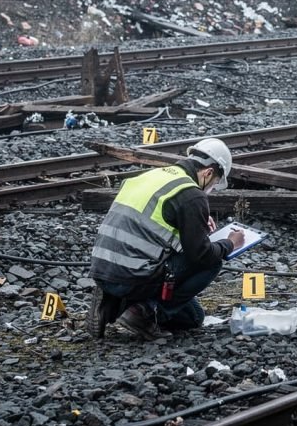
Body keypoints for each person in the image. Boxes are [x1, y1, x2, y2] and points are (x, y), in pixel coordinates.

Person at [87, 138, 245, 340]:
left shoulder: (154, 176)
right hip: (132, 276)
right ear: (208, 172)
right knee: (211, 263)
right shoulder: (192, 194)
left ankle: (110, 304)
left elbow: (149, 225)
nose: (211, 189)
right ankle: (143, 313)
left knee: (194, 318)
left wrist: (195, 223)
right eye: (213, 184)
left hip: (104, 269)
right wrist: (230, 243)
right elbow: (201, 255)